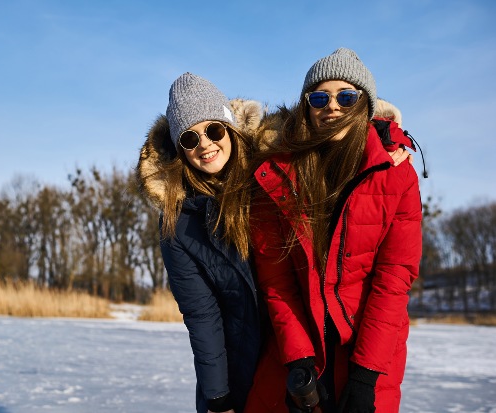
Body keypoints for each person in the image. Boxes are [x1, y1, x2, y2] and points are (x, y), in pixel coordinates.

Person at [244, 48, 423, 413]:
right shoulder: (275, 176)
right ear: (306, 107)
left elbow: (394, 279)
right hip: (297, 349)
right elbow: (276, 280)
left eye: (346, 97)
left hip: (369, 351)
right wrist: (297, 360)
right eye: (320, 97)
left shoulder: (397, 174)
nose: (332, 107)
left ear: (364, 105)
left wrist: (364, 376)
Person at [136, 72, 264, 413]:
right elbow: (202, 314)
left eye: (214, 129)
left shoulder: (272, 177)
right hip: (236, 368)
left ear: (232, 129)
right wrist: (218, 398)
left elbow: (331, 134)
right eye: (189, 138)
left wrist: (387, 135)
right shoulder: (177, 222)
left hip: (299, 357)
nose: (205, 144)